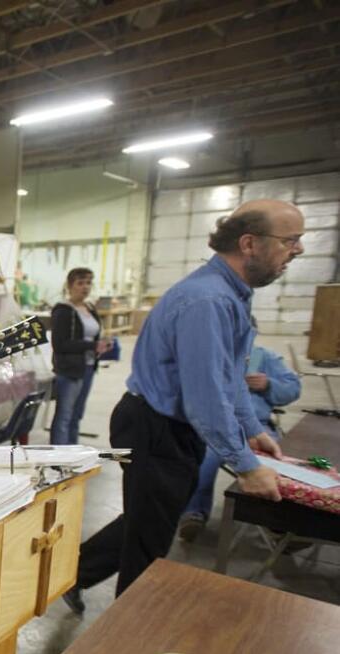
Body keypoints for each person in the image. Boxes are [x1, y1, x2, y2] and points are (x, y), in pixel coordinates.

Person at [63, 199, 302, 614]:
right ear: (249, 243)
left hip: (166, 426)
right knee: (150, 548)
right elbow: (205, 397)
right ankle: (128, 643)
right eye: (290, 240)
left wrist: (252, 429)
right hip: (155, 427)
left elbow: (230, 374)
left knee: (148, 519)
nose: (297, 251)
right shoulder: (208, 301)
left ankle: (76, 574)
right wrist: (245, 465)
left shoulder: (231, 293)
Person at [177, 343, 301, 540]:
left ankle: (277, 523)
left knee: (277, 463)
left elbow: (293, 388)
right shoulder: (211, 357)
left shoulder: (266, 357)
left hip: (259, 426)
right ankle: (194, 513)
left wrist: (268, 384)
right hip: (216, 427)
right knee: (203, 458)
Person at [49, 267, 113, 445]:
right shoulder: (63, 310)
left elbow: (93, 335)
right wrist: (93, 345)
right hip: (69, 370)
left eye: (88, 283)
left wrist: (102, 344)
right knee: (64, 416)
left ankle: (73, 456)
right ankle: (58, 460)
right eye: (80, 283)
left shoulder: (89, 308)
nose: (85, 287)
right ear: (69, 286)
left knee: (77, 415)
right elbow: (60, 344)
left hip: (88, 367)